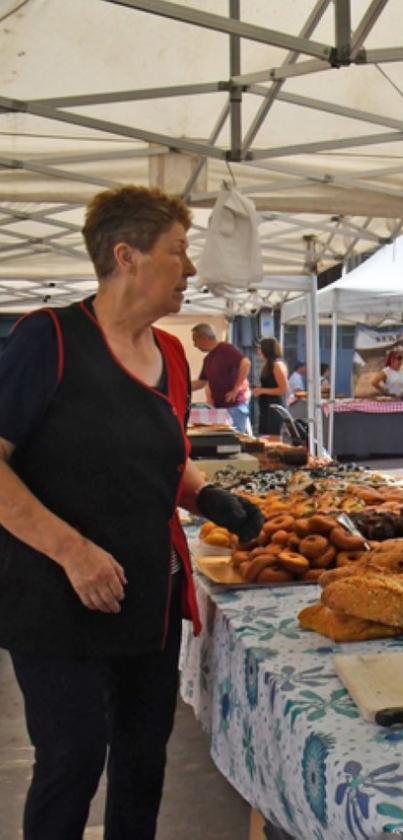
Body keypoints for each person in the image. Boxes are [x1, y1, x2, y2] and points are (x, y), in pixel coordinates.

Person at [0, 186, 263, 839]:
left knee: (143, 765)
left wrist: (207, 495)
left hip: (147, 595)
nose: (191, 270)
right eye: (178, 253)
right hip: (57, 598)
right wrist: (73, 551)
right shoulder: (49, 339)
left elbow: (166, 458)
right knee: (73, 760)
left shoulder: (173, 356)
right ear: (127, 256)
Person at [189, 322, 251, 435]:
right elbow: (202, 382)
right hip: (220, 408)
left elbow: (245, 363)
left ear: (203, 338)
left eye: (195, 340)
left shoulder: (226, 349)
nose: (195, 345)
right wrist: (182, 386)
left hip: (234, 407)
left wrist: (235, 389)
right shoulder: (208, 359)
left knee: (234, 440)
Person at [251, 337, 288, 436]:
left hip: (273, 407)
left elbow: (283, 389)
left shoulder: (277, 365)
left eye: (260, 348)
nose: (258, 351)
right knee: (264, 436)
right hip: (265, 407)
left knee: (272, 438)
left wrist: (262, 390)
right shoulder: (268, 365)